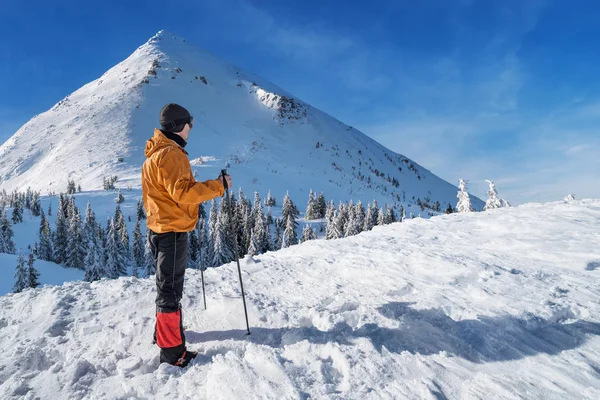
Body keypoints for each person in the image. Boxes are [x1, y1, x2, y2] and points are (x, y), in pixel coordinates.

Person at [142, 103, 232, 367]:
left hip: (160, 228)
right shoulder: (170, 154)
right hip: (171, 231)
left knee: (165, 287)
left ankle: (164, 335)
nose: (191, 128)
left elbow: (166, 194)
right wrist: (219, 187)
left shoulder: (154, 155)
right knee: (170, 290)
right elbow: (182, 192)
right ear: (180, 126)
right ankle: (172, 352)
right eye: (190, 123)